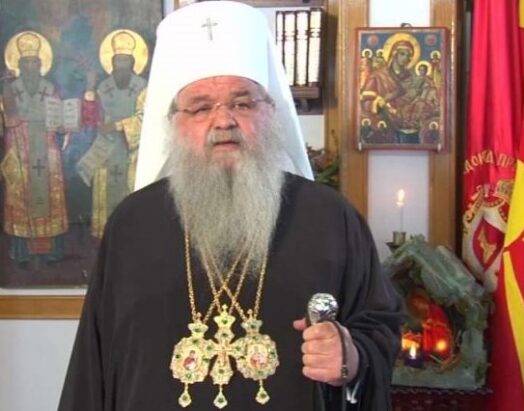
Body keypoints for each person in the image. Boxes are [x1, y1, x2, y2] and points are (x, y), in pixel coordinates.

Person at [59, 2, 402, 410]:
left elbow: (378, 327)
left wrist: (352, 355)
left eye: (242, 103)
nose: (223, 121)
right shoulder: (131, 225)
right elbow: (93, 366)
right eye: (201, 107)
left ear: (270, 112)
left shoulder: (329, 218)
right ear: (174, 123)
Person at [0, 31, 68, 266]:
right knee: (20, 195)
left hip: (47, 149)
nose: (30, 67)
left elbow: (60, 120)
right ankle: (21, 251)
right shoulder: (8, 90)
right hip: (19, 148)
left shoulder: (50, 88)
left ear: (41, 65)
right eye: (26, 62)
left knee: (49, 193)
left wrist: (63, 126)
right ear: (19, 65)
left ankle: (51, 251)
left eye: (34, 62)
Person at [76, 30, 147, 238]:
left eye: (126, 60)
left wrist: (117, 126)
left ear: (133, 62)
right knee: (106, 201)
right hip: (106, 150)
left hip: (132, 153)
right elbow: (90, 118)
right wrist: (90, 88)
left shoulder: (143, 87)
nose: (121, 65)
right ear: (112, 62)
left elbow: (146, 118)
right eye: (118, 60)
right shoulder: (103, 87)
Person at [360, 35, 440, 145]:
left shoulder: (412, 78)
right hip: (386, 124)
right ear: (394, 54)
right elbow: (365, 102)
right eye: (403, 54)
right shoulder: (378, 76)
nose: (406, 58)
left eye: (409, 56)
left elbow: (416, 100)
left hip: (410, 126)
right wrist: (382, 101)